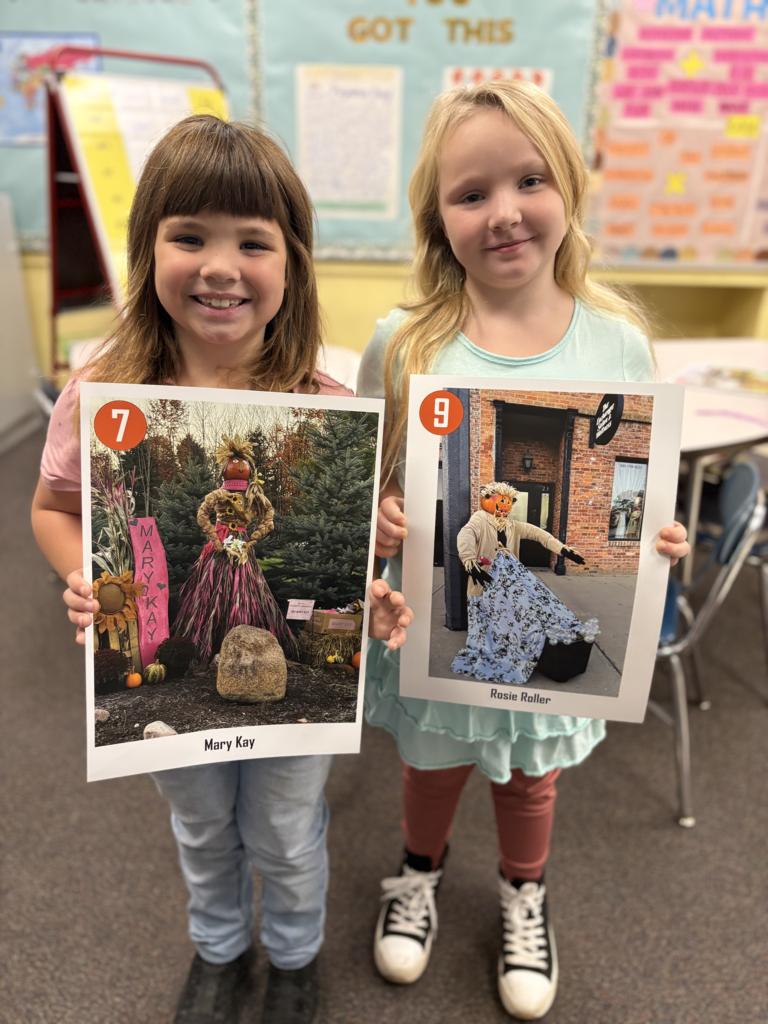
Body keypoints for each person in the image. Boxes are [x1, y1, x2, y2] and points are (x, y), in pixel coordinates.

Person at [31, 115, 412, 1024]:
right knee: (201, 823)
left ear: (292, 264)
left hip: (257, 591)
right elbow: (55, 511)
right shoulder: (103, 389)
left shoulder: (324, 403)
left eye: (253, 241)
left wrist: (377, 585)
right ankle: (218, 948)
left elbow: (359, 544)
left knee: (284, 831)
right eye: (188, 235)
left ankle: (293, 959)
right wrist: (78, 576)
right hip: (207, 575)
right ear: (147, 249)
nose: (219, 266)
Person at [356, 81, 689, 1021]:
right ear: (439, 216)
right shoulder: (405, 340)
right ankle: (417, 872)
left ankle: (523, 893)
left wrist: (657, 537)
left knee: (533, 770)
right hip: (434, 624)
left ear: (569, 188)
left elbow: (631, 493)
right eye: (470, 194)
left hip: (524, 605)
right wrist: (381, 515)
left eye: (529, 180)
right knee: (429, 762)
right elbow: (380, 481)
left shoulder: (618, 345)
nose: (503, 213)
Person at [452, 481, 596, 685]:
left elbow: (539, 534)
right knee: (493, 616)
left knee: (522, 609)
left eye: (509, 502)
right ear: (488, 500)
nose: (505, 506)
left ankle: (524, 645)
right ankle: (500, 647)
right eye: (501, 501)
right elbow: (466, 535)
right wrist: (469, 560)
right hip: (485, 579)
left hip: (511, 580)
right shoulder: (480, 519)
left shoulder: (512, 525)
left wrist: (563, 549)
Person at [173, 432, 298, 665]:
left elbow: (269, 518)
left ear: (248, 468)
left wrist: (253, 539)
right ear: (226, 468)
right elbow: (202, 515)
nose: (239, 467)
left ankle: (244, 644)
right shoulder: (219, 494)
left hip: (242, 548)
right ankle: (209, 647)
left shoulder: (254, 495)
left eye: (242, 464)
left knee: (247, 589)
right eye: (235, 464)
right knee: (213, 593)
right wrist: (216, 540)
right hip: (220, 548)